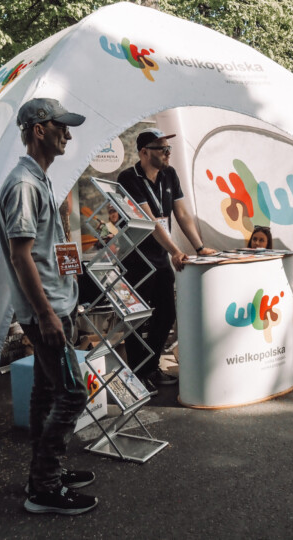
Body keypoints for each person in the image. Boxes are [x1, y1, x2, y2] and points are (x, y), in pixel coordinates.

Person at [0, 97, 98, 516]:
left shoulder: (38, 179)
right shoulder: (24, 184)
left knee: (45, 392)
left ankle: (44, 474)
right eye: (62, 127)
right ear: (40, 130)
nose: (68, 134)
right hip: (47, 312)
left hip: (56, 305)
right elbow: (21, 256)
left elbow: (41, 248)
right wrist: (45, 314)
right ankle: (44, 487)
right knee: (73, 394)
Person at [117, 127, 216, 392]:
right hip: (135, 258)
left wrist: (199, 246)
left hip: (160, 257)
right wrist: (175, 250)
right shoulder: (129, 178)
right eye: (162, 149)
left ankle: (151, 367)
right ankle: (138, 374)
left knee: (167, 313)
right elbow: (149, 221)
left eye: (168, 148)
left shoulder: (169, 174)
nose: (167, 153)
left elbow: (182, 214)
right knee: (136, 317)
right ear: (144, 152)